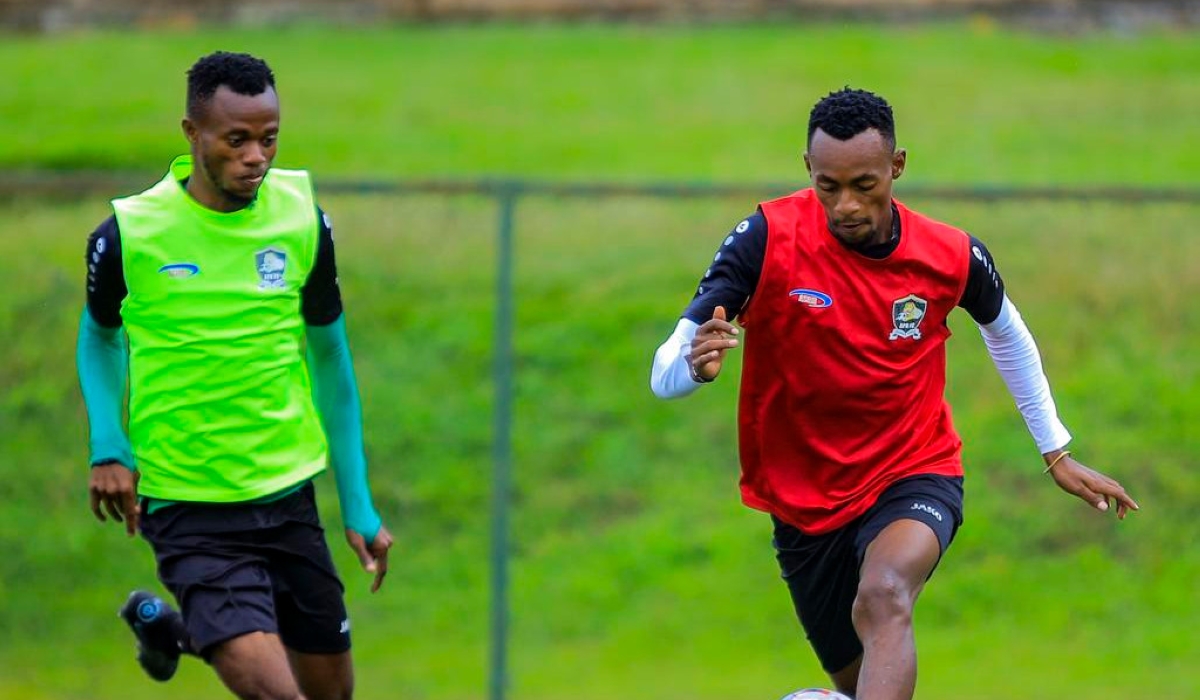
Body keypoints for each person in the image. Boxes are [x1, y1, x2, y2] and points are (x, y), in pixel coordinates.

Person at [649, 87, 1138, 700]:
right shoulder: (765, 237)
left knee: (884, 595)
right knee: (858, 688)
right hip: (803, 501)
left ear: (897, 168)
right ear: (808, 170)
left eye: (865, 184)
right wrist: (693, 369)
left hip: (913, 468)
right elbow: (665, 366)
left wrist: (1056, 450)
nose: (846, 204)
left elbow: (1007, 334)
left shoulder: (949, 254)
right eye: (828, 186)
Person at [77, 51, 394, 700]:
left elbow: (332, 359)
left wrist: (357, 503)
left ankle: (168, 629)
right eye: (238, 139)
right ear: (193, 135)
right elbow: (100, 338)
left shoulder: (303, 219)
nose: (257, 155)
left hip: (286, 498)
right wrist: (109, 445)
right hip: (188, 504)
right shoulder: (131, 234)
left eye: (269, 138)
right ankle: (192, 624)